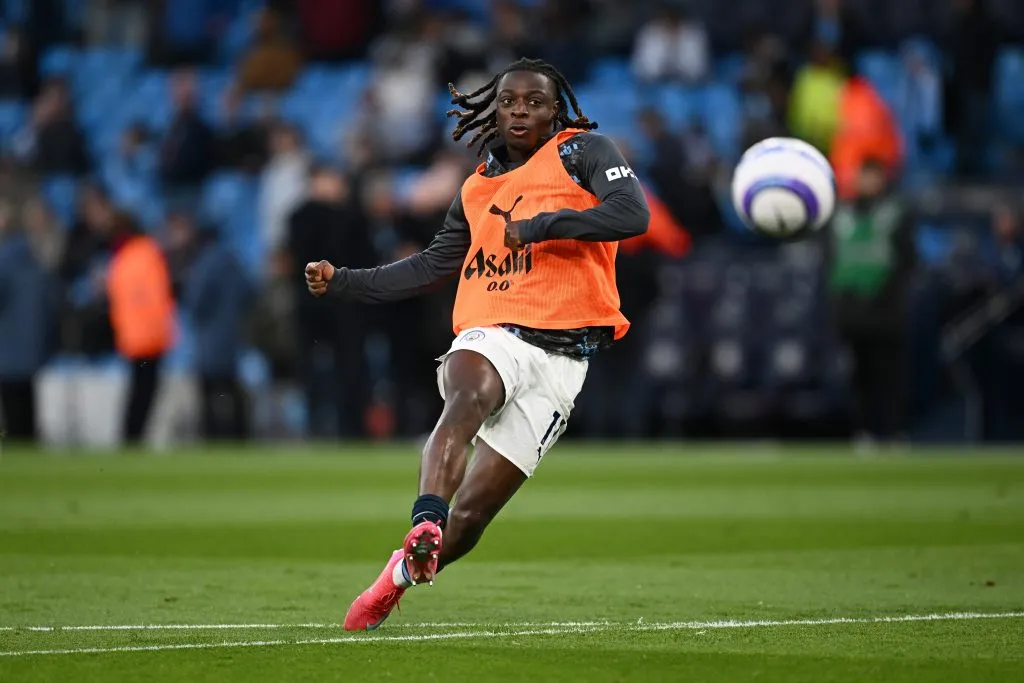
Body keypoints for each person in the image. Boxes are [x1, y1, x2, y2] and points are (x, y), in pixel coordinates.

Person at [305, 58, 650, 630]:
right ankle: (425, 519)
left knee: (473, 517)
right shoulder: (475, 187)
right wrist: (343, 280)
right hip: (493, 331)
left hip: (563, 361)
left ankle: (398, 576)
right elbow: (429, 266)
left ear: (554, 109)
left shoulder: (583, 153)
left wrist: (541, 226)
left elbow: (631, 214)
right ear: (495, 108)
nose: (520, 110)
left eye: (534, 101)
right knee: (468, 397)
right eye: (509, 101)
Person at [826, 158, 916, 448]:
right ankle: (864, 432)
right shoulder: (841, 213)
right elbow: (828, 260)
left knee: (889, 375)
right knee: (859, 376)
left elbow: (907, 261)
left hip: (886, 310)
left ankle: (893, 431)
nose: (868, 183)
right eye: (864, 176)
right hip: (852, 312)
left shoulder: (895, 213)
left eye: (873, 176)